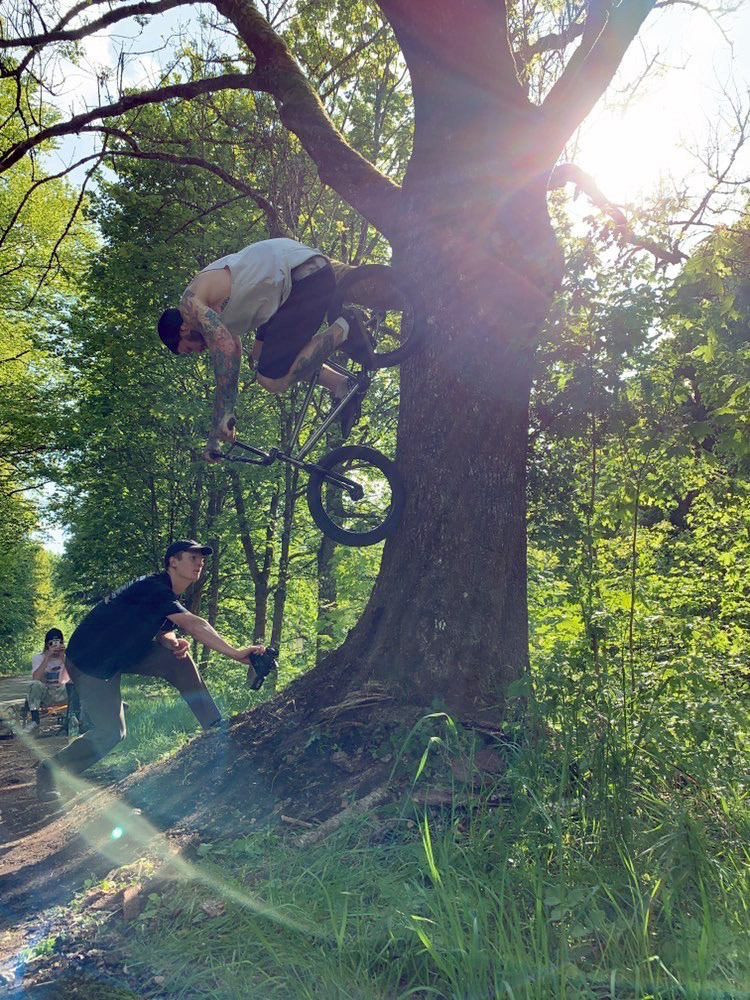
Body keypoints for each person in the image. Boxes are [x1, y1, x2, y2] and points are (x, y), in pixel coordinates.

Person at [36, 540, 265, 804]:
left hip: (123, 654)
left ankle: (215, 730)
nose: (200, 562)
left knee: (178, 658)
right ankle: (50, 770)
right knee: (112, 733)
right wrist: (236, 653)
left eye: (201, 558)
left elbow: (165, 628)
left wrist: (170, 641)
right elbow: (194, 624)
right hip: (90, 660)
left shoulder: (167, 594)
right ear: (173, 562)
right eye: (192, 557)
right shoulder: (153, 588)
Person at [157, 238, 372, 459]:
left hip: (302, 277)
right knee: (260, 355)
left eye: (189, 349)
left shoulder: (189, 305)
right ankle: (341, 384)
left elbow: (226, 350)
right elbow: (233, 360)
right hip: (289, 288)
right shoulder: (215, 315)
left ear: (183, 330)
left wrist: (227, 414)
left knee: (270, 379)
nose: (198, 352)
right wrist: (215, 436)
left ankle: (345, 327)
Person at [26, 628, 72, 732]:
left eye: (59, 642)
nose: (55, 646)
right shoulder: (39, 658)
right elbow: (36, 678)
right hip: (46, 693)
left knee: (75, 683)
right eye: (52, 643)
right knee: (34, 684)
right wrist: (47, 658)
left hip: (63, 691)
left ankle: (73, 718)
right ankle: (35, 720)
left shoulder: (67, 657)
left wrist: (63, 657)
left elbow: (75, 676)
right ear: (47, 644)